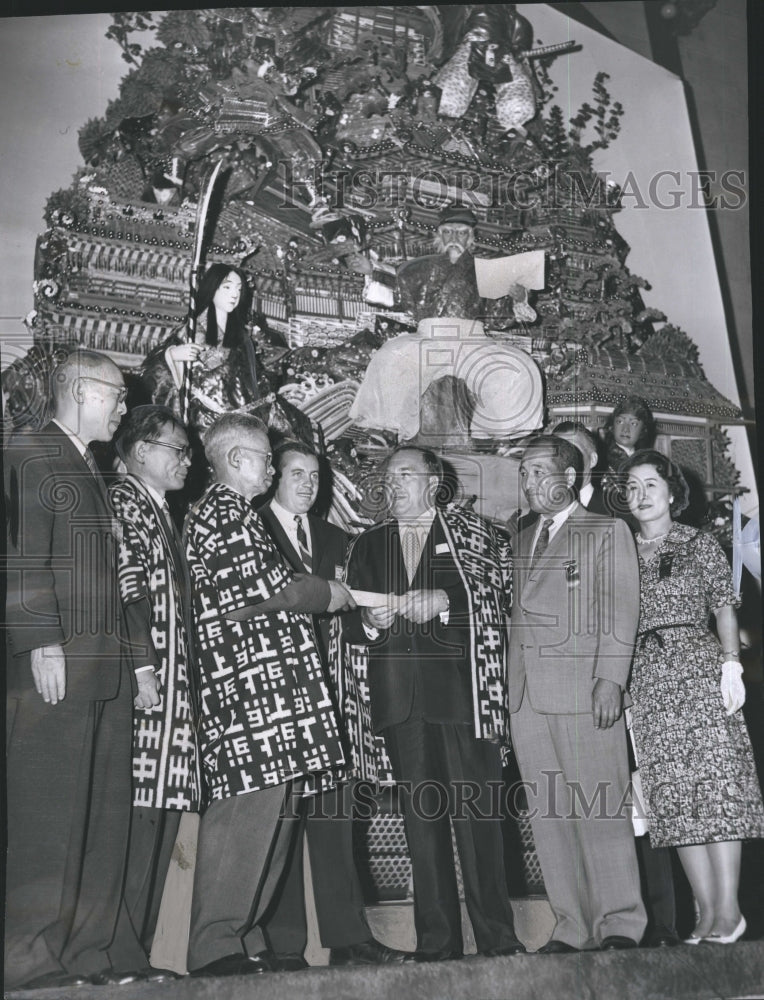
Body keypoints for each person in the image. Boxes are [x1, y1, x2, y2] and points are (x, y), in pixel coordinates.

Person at [183, 413, 354, 977]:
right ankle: (215, 946)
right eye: (263, 457)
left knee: (272, 824)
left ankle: (247, 937)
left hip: (272, 696)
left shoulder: (240, 515)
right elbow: (272, 593)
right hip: (249, 697)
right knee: (243, 821)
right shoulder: (223, 512)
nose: (269, 468)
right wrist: (332, 592)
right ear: (237, 460)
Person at [341, 445, 524, 962]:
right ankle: (436, 942)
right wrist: (369, 625)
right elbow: (350, 617)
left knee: (479, 820)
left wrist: (448, 603)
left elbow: (503, 598)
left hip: (464, 696)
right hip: (399, 701)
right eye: (388, 475)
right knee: (422, 825)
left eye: (406, 474)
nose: (394, 483)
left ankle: (497, 937)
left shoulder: (478, 536)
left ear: (434, 482)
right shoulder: (367, 544)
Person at [4, 349, 136, 989]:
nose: (122, 406)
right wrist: (40, 641)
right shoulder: (30, 449)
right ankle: (28, 957)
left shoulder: (86, 466)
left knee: (96, 822)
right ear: (82, 391)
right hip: (57, 665)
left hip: (99, 670)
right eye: (114, 394)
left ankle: (86, 955)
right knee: (49, 818)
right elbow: (19, 550)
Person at [259, 441, 409, 967]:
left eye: (314, 476)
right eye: (295, 473)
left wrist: (370, 622)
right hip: (274, 696)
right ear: (272, 477)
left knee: (335, 818)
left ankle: (349, 938)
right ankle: (282, 943)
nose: (307, 484)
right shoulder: (252, 529)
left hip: (332, 697)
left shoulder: (336, 539)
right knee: (278, 823)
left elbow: (353, 613)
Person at [509, 434, 647, 952]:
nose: (530, 482)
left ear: (569, 477)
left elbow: (621, 607)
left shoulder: (607, 530)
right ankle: (573, 925)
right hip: (527, 699)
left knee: (601, 810)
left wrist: (610, 679)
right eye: (523, 473)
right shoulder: (522, 538)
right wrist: (508, 694)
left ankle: (619, 923)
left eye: (540, 471)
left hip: (586, 690)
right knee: (550, 817)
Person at [622, 450, 764, 944]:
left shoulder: (697, 543)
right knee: (673, 795)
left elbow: (724, 605)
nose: (640, 496)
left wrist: (730, 662)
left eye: (650, 486)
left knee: (715, 786)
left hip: (699, 670)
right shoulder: (621, 552)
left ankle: (729, 909)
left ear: (671, 493)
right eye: (632, 487)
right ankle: (704, 913)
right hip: (646, 679)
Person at [552, 421, 677, 947]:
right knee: (611, 802)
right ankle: (590, 919)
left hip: (632, 678)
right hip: (574, 687)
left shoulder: (614, 515)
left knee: (643, 799)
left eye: (579, 452)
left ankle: (663, 921)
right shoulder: (543, 520)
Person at [107, 406, 202, 974]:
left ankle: (136, 952)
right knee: (141, 818)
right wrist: (143, 667)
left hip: (174, 695)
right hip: (150, 693)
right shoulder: (125, 502)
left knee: (162, 817)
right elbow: (127, 588)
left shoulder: (161, 509)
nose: (186, 461)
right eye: (177, 449)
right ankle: (120, 951)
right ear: (141, 450)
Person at [347, 204, 544, 444]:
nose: (454, 238)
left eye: (461, 232)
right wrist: (372, 271)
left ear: (470, 237)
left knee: (520, 367)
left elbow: (499, 316)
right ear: (439, 235)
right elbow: (398, 293)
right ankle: (387, 431)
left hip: (473, 343)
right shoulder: (418, 268)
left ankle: (500, 436)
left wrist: (519, 298)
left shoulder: (486, 272)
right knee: (389, 358)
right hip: (430, 340)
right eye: (449, 231)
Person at [141, 264, 260, 433]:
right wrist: (172, 355)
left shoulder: (241, 336)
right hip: (203, 418)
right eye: (227, 287)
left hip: (238, 414)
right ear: (212, 288)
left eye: (239, 289)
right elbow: (153, 369)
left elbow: (253, 380)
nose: (234, 294)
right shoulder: (190, 330)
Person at [601, 395, 657, 475]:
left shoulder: (647, 460)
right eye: (620, 422)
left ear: (643, 431)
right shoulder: (602, 459)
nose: (625, 429)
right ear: (611, 427)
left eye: (633, 423)